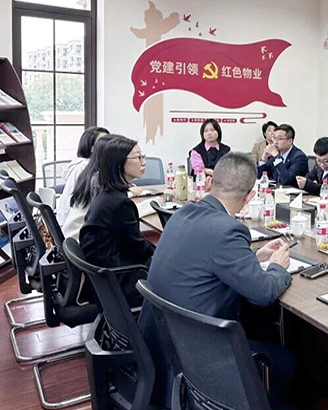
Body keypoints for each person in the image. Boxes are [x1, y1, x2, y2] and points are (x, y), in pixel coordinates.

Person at [138, 153, 293, 407]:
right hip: (199, 352)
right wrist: (277, 266)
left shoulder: (184, 212)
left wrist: (253, 257)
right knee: (286, 361)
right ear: (249, 197)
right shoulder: (229, 230)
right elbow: (263, 292)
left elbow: (206, 258)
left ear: (210, 183)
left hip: (161, 343)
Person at [80, 136, 154, 307]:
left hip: (101, 277)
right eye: (138, 157)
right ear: (119, 163)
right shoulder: (119, 203)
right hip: (115, 281)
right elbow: (140, 249)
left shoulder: (106, 194)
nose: (143, 162)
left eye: (143, 156)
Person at [62, 135, 116, 241]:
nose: (143, 162)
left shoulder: (91, 173)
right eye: (137, 157)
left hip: (72, 237)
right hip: (82, 240)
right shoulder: (96, 178)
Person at [56, 126, 109, 227]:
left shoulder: (81, 164)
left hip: (70, 224)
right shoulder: (85, 167)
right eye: (103, 142)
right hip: (74, 226)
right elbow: (101, 197)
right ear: (92, 148)